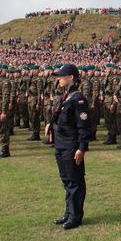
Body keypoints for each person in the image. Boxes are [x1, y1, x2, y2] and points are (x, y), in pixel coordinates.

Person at [49, 64, 92, 230]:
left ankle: (75, 216)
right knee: (66, 179)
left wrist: (82, 147)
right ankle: (68, 212)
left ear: (71, 77)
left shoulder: (78, 98)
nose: (58, 78)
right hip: (60, 143)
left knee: (75, 181)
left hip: (71, 144)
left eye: (61, 75)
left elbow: (84, 126)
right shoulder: (65, 96)